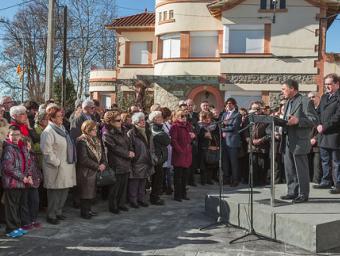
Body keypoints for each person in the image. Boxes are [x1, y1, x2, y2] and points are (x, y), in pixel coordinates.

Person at [280, 79, 318, 203]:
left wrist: (299, 121)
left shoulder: (305, 101)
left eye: (284, 89)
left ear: (292, 89)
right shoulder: (287, 103)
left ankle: (303, 194)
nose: (282, 91)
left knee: (300, 169)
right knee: (289, 168)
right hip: (287, 140)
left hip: (299, 141)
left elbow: (314, 120)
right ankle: (292, 191)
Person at [40, 104, 77, 224]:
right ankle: (51, 215)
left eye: (62, 116)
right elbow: (46, 151)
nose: (62, 118)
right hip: (56, 167)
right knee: (54, 192)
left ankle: (58, 212)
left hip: (66, 164)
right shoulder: (48, 131)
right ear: (52, 118)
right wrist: (57, 162)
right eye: (59, 116)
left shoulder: (62, 128)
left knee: (64, 190)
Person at [1, 125, 33, 238]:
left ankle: (17, 226)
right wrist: (22, 177)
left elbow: (28, 162)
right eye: (12, 135)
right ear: (8, 135)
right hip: (12, 183)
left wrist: (29, 175)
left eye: (17, 135)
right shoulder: (9, 148)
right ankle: (10, 229)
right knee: (11, 207)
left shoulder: (21, 147)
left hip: (21, 183)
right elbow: (8, 167)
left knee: (18, 205)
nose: (15, 137)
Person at [102, 111, 134, 214]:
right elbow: (114, 148)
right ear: (110, 122)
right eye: (118, 120)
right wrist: (127, 153)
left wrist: (131, 151)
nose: (120, 122)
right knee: (115, 186)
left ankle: (121, 204)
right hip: (116, 162)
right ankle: (113, 206)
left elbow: (129, 142)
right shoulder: (107, 134)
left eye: (121, 120)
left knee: (124, 185)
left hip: (126, 162)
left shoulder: (124, 130)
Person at [314, 74, 340, 193]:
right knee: (325, 160)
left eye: (329, 84)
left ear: (337, 84)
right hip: (323, 135)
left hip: (335, 134)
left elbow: (338, 116)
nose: (327, 87)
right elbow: (318, 112)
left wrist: (324, 126)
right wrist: (318, 124)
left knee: (336, 161)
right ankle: (326, 181)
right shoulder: (324, 97)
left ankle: (338, 184)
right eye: (326, 85)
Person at [76, 120, 106, 219]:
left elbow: (102, 153)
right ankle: (84, 212)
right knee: (85, 193)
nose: (95, 131)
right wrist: (97, 166)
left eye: (96, 129)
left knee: (91, 192)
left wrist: (103, 163)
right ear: (87, 130)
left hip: (93, 170)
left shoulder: (96, 139)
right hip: (85, 171)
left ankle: (89, 210)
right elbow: (83, 159)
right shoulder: (82, 141)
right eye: (93, 130)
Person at [127, 112, 155, 208]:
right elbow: (129, 146)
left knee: (143, 181)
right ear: (136, 122)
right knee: (134, 182)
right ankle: (133, 200)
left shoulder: (148, 131)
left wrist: (152, 156)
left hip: (147, 160)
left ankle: (141, 199)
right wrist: (134, 157)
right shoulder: (131, 133)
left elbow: (151, 146)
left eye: (144, 120)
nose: (143, 122)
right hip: (137, 160)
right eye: (141, 121)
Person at [170, 109, 194, 202]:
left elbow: (189, 139)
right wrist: (180, 150)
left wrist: (192, 137)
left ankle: (184, 194)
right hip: (179, 155)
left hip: (187, 154)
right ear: (176, 117)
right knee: (178, 177)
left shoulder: (188, 126)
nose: (184, 118)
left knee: (185, 176)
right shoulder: (175, 127)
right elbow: (173, 140)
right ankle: (177, 195)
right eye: (181, 116)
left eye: (185, 116)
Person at [149, 111, 171, 205]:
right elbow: (166, 140)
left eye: (161, 117)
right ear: (154, 119)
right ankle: (154, 197)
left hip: (160, 156)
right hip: (156, 156)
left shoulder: (159, 128)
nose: (161, 118)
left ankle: (156, 196)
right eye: (158, 117)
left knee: (159, 177)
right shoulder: (154, 128)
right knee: (157, 178)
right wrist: (167, 137)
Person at [221, 98, 242, 187]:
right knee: (225, 161)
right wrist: (224, 126)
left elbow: (234, 127)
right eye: (227, 103)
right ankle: (226, 179)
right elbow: (220, 124)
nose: (228, 105)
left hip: (232, 141)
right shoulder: (224, 114)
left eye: (230, 103)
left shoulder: (237, 115)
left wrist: (224, 128)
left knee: (233, 162)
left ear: (234, 104)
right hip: (224, 141)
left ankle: (235, 180)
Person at [197, 111, 219, 185]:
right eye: (205, 118)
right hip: (203, 147)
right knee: (203, 165)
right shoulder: (199, 126)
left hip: (212, 146)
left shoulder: (214, 126)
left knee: (211, 163)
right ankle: (203, 180)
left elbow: (217, 136)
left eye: (208, 118)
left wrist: (211, 136)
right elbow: (198, 136)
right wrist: (204, 135)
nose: (207, 119)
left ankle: (209, 179)